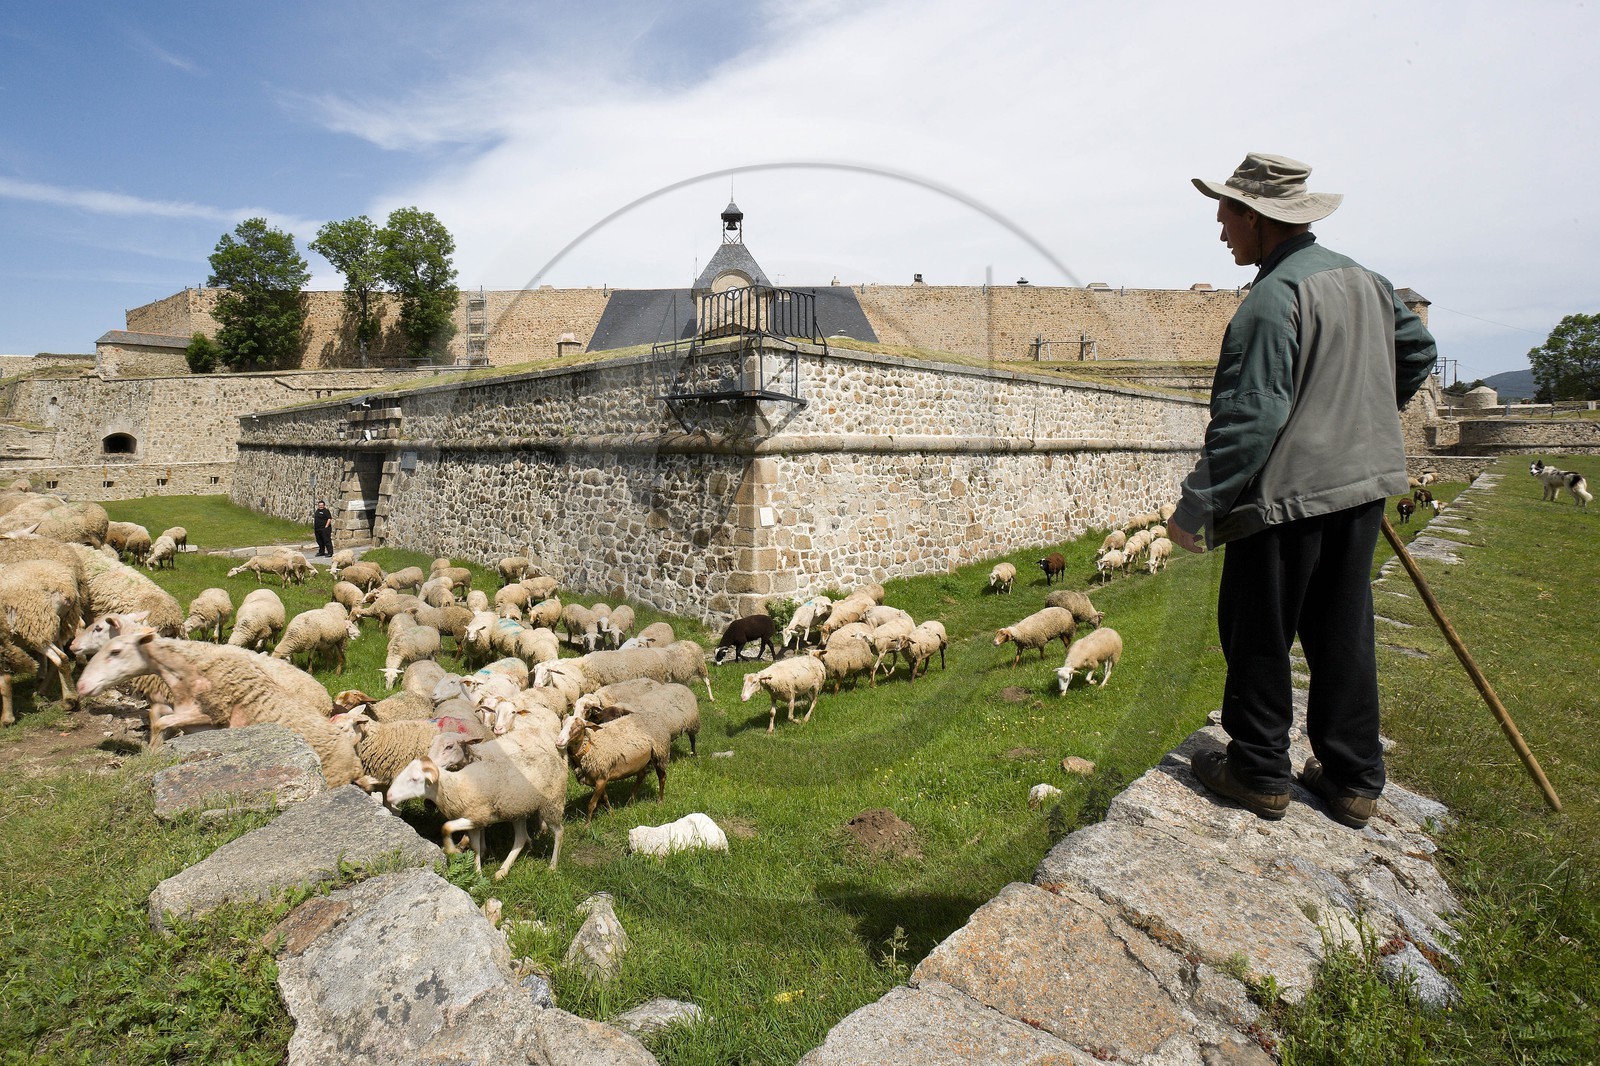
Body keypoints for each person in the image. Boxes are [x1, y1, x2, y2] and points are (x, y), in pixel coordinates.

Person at [1168, 153, 1437, 830]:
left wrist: (1196, 505)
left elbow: (1251, 418)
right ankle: (1352, 780)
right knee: (1342, 630)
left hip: (1288, 499)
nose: (1222, 229)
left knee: (1258, 630)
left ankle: (1259, 772)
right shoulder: (1368, 281)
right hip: (1361, 488)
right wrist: (1364, 419)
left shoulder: (1270, 301)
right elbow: (1418, 354)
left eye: (1227, 213)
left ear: (1257, 217)